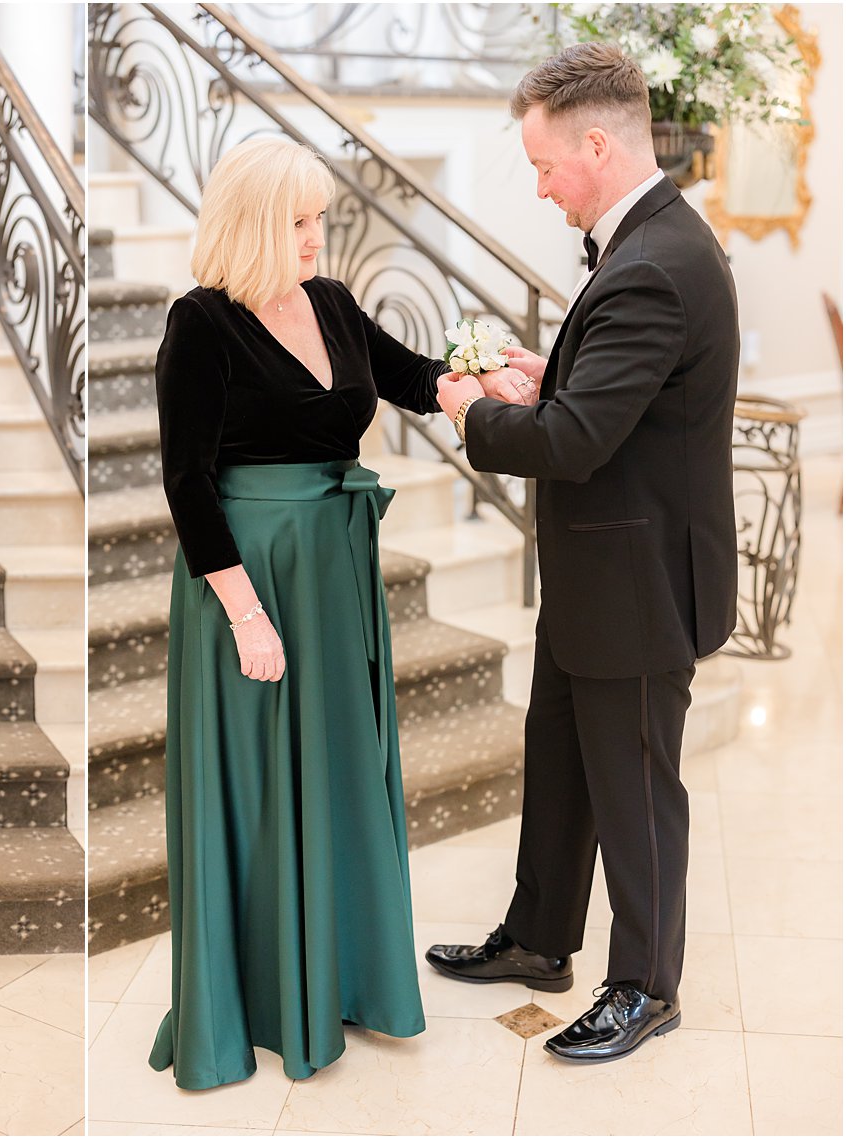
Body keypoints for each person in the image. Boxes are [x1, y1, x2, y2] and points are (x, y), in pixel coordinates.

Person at [148, 136, 532, 1090]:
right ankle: (270, 997)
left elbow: (407, 377)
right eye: (298, 220)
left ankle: (346, 977)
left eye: (318, 217)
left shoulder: (330, 303)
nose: (317, 235)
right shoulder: (199, 323)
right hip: (250, 578)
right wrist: (245, 615)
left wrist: (475, 384)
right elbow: (187, 483)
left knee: (338, 770)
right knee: (263, 790)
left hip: (333, 568)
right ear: (251, 224)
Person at [430, 42, 739, 1063]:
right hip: (599, 576)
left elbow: (570, 442)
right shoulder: (646, 240)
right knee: (559, 764)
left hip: (639, 585)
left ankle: (645, 985)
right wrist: (542, 369)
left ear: (594, 145)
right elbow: (609, 397)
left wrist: (476, 410)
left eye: (543, 165)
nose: (540, 185)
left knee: (635, 790)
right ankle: (537, 938)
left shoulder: (652, 262)